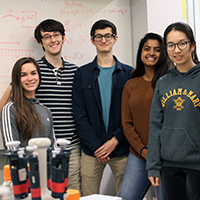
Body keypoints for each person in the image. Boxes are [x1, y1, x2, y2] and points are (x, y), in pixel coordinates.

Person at [0, 19, 81, 193]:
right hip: (31, 156)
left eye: (56, 35)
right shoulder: (33, 69)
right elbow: (9, 99)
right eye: (47, 36)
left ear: (63, 37)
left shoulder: (75, 71)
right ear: (40, 42)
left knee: (68, 192)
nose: (53, 40)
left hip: (66, 149)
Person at [72, 19, 133, 196]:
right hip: (92, 151)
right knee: (88, 196)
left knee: (126, 196)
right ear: (92, 40)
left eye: (108, 36)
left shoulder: (129, 73)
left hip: (120, 148)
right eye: (98, 36)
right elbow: (79, 115)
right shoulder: (81, 74)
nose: (103, 40)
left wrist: (114, 141)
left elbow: (131, 115)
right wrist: (98, 146)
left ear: (115, 38)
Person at [146, 22, 200, 200]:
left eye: (182, 43)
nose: (177, 50)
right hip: (169, 166)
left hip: (197, 165)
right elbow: (155, 126)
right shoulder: (163, 83)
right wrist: (153, 166)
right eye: (171, 45)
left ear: (192, 45)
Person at [119, 33, 170, 200]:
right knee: (126, 197)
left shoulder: (169, 82)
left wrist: (158, 151)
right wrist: (143, 150)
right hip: (139, 153)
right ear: (141, 53)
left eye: (157, 49)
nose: (151, 53)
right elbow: (126, 123)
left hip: (166, 155)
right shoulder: (131, 85)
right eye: (147, 49)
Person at [1, 57, 56, 149]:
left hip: (46, 163)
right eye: (23, 75)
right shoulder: (10, 109)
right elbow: (12, 149)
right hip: (22, 163)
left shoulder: (46, 111)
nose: (30, 78)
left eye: (33, 73)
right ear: (17, 79)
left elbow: (53, 147)